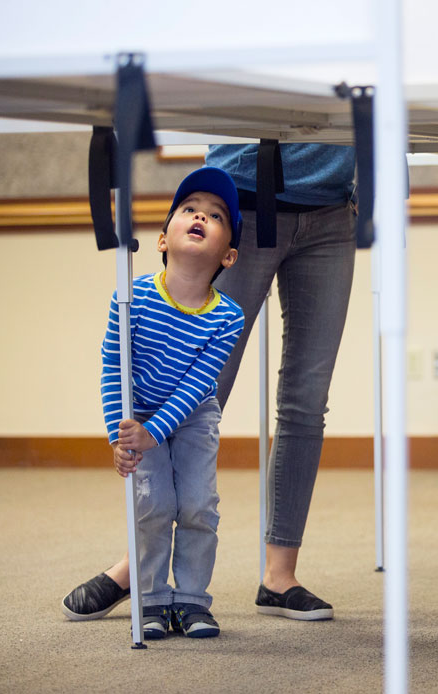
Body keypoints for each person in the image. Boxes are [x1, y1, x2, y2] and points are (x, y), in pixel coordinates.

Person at [62, 143, 357, 623]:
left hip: (331, 206)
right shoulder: (200, 230)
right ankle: (139, 565)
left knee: (307, 398)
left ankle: (280, 576)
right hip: (241, 195)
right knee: (196, 392)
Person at [84, 167, 245, 639]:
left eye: (215, 215)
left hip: (192, 415)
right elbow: (114, 369)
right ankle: (152, 598)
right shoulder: (130, 298)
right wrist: (122, 434)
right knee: (152, 505)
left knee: (198, 505)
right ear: (161, 239)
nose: (200, 216)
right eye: (189, 209)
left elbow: (199, 385)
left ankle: (192, 599)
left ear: (229, 255)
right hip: (139, 416)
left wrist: (158, 430)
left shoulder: (228, 317)